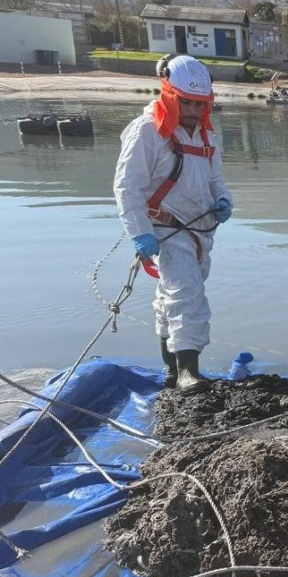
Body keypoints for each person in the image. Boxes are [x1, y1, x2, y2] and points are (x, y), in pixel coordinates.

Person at [114, 54, 233, 394]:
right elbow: (127, 187)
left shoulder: (206, 136)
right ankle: (187, 373)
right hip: (164, 231)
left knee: (171, 296)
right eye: (187, 102)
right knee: (187, 294)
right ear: (169, 94)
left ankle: (171, 370)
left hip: (200, 231)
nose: (194, 110)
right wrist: (140, 235)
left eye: (200, 103)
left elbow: (216, 180)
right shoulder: (148, 131)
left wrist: (224, 202)